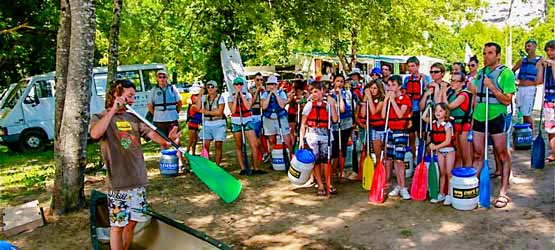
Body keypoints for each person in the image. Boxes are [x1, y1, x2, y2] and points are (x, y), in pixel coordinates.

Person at [90, 80, 180, 250]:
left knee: (132, 224)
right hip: (118, 184)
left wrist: (168, 141)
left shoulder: (134, 118)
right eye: (129, 96)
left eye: (134, 96)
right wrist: (113, 111)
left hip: (138, 181)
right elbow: (95, 133)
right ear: (116, 95)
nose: (132, 100)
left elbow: (152, 134)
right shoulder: (100, 117)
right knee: (117, 227)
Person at [468, 42, 516, 208]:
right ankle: (473, 188)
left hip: (497, 116)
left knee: (502, 154)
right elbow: (476, 94)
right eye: (484, 53)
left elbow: (507, 99)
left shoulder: (506, 73)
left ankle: (503, 192)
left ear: (497, 55)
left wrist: (492, 88)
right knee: (477, 154)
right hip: (480, 116)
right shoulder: (481, 73)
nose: (485, 56)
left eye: (489, 53)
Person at [299, 82, 338, 196]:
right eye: (312, 92)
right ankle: (320, 184)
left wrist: (332, 106)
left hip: (325, 136)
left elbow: (335, 120)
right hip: (312, 136)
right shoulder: (309, 105)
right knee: (316, 161)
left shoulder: (328, 104)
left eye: (316, 91)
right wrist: (301, 140)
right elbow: (303, 124)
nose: (314, 94)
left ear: (322, 91)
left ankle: (328, 183)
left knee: (326, 161)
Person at [384, 75, 412, 200]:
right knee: (393, 158)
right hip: (390, 130)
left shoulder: (405, 99)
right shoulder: (389, 99)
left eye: (393, 85)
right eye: (389, 85)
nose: (391, 88)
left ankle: (403, 186)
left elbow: (401, 114)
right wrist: (386, 101)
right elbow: (384, 114)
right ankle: (399, 185)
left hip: (401, 131)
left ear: (399, 86)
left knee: (400, 160)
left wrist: (393, 101)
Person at [147, 70, 183, 166]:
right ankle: (165, 160)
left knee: (176, 141)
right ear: (157, 78)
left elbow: (179, 103)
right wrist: (156, 114)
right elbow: (150, 105)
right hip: (159, 119)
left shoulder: (172, 89)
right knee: (163, 141)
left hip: (172, 118)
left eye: (164, 77)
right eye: (160, 77)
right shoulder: (154, 90)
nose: (162, 79)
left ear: (167, 78)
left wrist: (174, 112)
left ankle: (179, 162)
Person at [229, 77, 263, 175]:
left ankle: (255, 167)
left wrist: (242, 95)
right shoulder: (230, 97)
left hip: (247, 120)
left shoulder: (247, 95)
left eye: (240, 84)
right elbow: (233, 110)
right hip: (236, 121)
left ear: (243, 85)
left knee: (254, 144)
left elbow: (248, 106)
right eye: (236, 84)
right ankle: (243, 168)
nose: (238, 86)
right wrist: (236, 96)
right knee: (239, 145)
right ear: (234, 86)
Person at [424, 103, 456, 205]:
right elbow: (423, 117)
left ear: (446, 112)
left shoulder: (448, 125)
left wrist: (435, 147)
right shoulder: (433, 123)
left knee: (448, 173)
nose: (438, 113)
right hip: (440, 152)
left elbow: (447, 141)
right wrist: (428, 108)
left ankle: (449, 195)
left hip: (449, 151)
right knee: (442, 173)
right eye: (436, 111)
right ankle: (441, 193)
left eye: (441, 111)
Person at [441, 71, 473, 167]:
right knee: (458, 154)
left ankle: (468, 176)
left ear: (462, 83)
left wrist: (443, 91)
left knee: (465, 155)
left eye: (456, 81)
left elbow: (447, 107)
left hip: (463, 127)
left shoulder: (463, 95)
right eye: (452, 80)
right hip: (455, 126)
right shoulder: (452, 94)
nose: (453, 83)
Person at [403, 57, 431, 163]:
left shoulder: (425, 78)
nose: (410, 68)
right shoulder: (407, 79)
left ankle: (422, 157)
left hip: (421, 110)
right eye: (409, 66)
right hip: (411, 111)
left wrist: (424, 81)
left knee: (422, 135)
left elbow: (429, 89)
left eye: (413, 66)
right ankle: (413, 158)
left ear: (418, 66)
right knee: (411, 136)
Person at [331, 74, 356, 179]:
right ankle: (334, 169)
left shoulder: (348, 93)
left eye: (341, 81)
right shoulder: (330, 94)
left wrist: (341, 95)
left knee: (344, 146)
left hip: (346, 123)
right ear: (334, 82)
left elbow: (346, 109)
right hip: (335, 124)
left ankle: (342, 170)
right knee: (335, 147)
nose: (340, 83)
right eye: (338, 81)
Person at [512, 39, 542, 128]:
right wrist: (514, 83)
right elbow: (512, 70)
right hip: (520, 88)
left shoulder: (540, 60)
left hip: (530, 89)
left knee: (527, 113)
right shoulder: (522, 60)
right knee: (520, 112)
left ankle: (530, 133)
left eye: (529, 46)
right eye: (526, 46)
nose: (527, 48)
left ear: (535, 47)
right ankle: (523, 131)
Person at [261, 76, 293, 158]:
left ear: (276, 85)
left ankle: (291, 157)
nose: (270, 86)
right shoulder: (265, 94)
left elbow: (282, 105)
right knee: (271, 140)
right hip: (269, 119)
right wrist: (270, 94)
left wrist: (275, 94)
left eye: (272, 84)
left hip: (281, 118)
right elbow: (264, 106)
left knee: (287, 140)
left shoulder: (281, 93)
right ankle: (272, 158)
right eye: (268, 84)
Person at [357, 80, 386, 170]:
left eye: (375, 88)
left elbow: (374, 112)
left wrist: (369, 97)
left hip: (384, 129)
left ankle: (385, 175)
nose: (372, 90)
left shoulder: (382, 99)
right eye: (371, 88)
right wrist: (365, 99)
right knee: (377, 155)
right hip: (375, 129)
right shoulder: (369, 99)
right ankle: (378, 174)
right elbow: (362, 114)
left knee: (384, 155)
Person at [196, 80, 226, 166]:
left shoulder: (220, 98)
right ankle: (207, 165)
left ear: (216, 88)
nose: (210, 89)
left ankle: (217, 165)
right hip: (207, 124)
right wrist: (200, 94)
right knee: (205, 145)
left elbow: (219, 112)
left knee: (218, 145)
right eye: (208, 87)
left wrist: (205, 112)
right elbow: (198, 108)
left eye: (212, 87)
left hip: (219, 124)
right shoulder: (204, 98)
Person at [538, 40, 555, 162]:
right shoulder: (547, 65)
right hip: (548, 99)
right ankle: (554, 153)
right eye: (547, 50)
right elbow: (539, 81)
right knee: (550, 128)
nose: (549, 53)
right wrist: (540, 67)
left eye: (552, 50)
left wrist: (553, 65)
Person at [249, 72, 270, 163]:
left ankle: (267, 153)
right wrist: (257, 91)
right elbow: (251, 103)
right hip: (255, 114)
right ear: (254, 80)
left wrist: (264, 91)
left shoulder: (266, 89)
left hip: (265, 114)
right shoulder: (251, 90)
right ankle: (262, 153)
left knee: (266, 135)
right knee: (256, 135)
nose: (259, 81)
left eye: (261, 80)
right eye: (257, 80)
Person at [287, 79, 308, 147]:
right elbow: (289, 100)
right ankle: (293, 144)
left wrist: (303, 99)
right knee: (292, 130)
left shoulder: (304, 95)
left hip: (300, 114)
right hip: (292, 114)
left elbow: (304, 103)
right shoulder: (292, 94)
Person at [185, 84, 201, 156]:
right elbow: (200, 110)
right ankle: (187, 154)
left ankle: (193, 154)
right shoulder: (193, 106)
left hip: (196, 124)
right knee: (191, 140)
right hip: (192, 124)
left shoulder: (197, 103)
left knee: (195, 141)